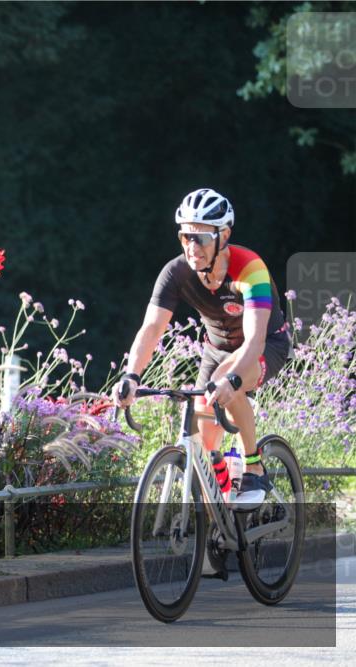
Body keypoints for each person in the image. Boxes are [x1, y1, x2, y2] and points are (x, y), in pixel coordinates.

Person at [112, 188, 292, 504]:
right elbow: (152, 327)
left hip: (266, 345)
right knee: (203, 446)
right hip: (216, 349)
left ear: (224, 236)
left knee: (226, 378)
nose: (192, 247)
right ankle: (221, 517)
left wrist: (233, 379)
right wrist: (131, 376)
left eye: (201, 238)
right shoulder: (176, 272)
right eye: (185, 237)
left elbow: (254, 340)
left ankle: (254, 467)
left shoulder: (250, 269)